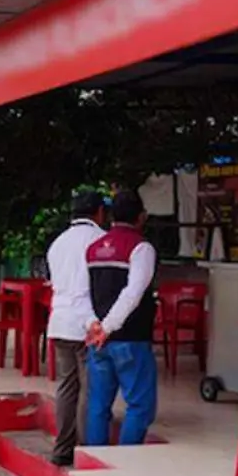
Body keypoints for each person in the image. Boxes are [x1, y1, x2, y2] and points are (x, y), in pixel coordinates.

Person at [84, 190, 158, 447]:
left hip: (99, 339)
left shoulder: (93, 250)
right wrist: (108, 327)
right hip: (131, 338)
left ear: (110, 216)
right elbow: (133, 293)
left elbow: (85, 293)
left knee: (98, 405)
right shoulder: (141, 248)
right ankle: (127, 462)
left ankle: (96, 460)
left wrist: (94, 326)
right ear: (142, 217)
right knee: (140, 405)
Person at [44, 191, 107, 467]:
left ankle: (62, 449)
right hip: (87, 323)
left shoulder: (57, 244)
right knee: (89, 389)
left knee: (67, 386)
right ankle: (85, 451)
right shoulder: (100, 240)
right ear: (99, 212)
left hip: (59, 321)